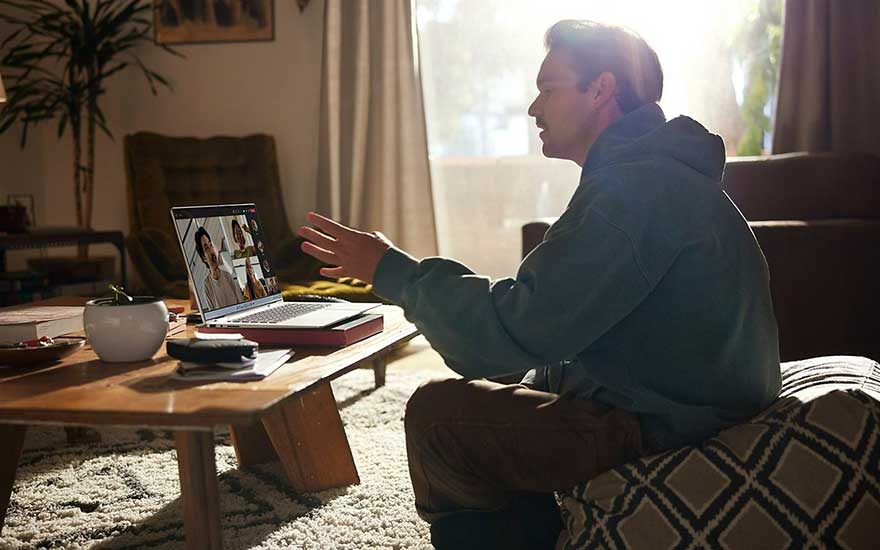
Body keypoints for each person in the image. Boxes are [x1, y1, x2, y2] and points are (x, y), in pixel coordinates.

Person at [297, 19, 780, 550]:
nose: (534, 108)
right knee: (510, 379)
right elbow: (549, 320)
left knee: (438, 418)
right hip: (679, 401)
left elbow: (517, 327)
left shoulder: (634, 193)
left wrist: (391, 270)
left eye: (548, 88)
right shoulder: (648, 175)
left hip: (665, 424)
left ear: (602, 89)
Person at [194, 226, 244, 310]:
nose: (211, 250)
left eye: (210, 245)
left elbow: (241, 304)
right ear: (204, 258)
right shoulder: (207, 285)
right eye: (206, 247)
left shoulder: (228, 275)